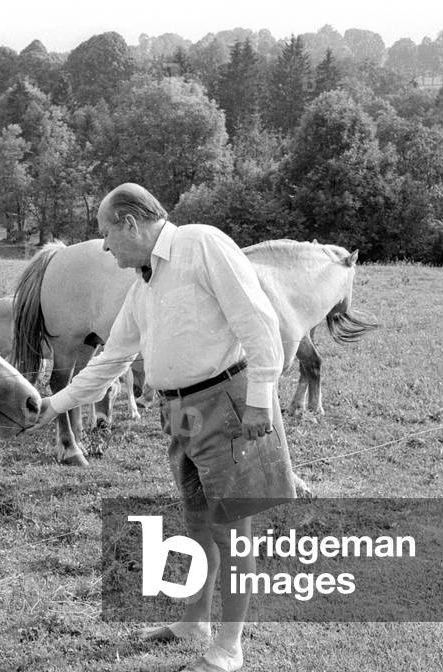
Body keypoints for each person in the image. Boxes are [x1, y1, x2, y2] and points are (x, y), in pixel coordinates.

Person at [30, 183, 296, 672]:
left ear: (131, 223)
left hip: (229, 404)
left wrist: (260, 402)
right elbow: (111, 359)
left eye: (107, 233)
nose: (105, 247)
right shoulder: (144, 285)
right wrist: (55, 404)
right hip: (179, 413)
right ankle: (196, 621)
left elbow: (259, 323)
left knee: (234, 531)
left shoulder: (202, 243)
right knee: (197, 523)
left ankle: (229, 648)